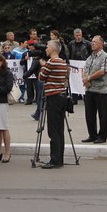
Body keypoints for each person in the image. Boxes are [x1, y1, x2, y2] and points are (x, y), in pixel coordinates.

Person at [38, 39, 69, 169]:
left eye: (47, 46)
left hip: (53, 97)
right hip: (61, 96)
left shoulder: (51, 62)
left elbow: (41, 77)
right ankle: (59, 158)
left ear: (53, 49)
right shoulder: (62, 61)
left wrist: (43, 65)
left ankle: (55, 160)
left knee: (53, 130)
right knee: (60, 129)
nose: (46, 48)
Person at [81, 35, 107, 144]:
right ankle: (92, 135)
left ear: (101, 44)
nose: (92, 44)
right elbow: (84, 69)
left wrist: (88, 78)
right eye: (92, 42)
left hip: (100, 90)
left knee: (102, 115)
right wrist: (85, 80)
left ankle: (102, 136)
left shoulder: (105, 56)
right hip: (89, 89)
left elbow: (103, 71)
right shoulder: (90, 56)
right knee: (89, 115)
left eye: (95, 42)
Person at [68, 28, 92, 104]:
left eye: (79, 35)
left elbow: (91, 53)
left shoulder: (87, 43)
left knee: (84, 80)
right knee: (74, 81)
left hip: (84, 65)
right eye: (77, 35)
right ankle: (74, 99)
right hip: (74, 65)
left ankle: (86, 99)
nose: (78, 37)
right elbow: (69, 54)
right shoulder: (71, 44)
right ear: (74, 35)